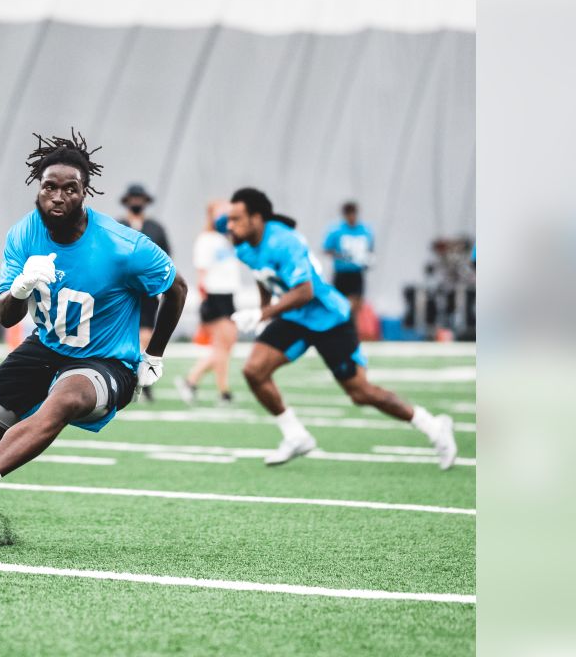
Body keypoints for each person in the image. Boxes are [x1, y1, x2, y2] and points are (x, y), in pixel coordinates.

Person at [0, 131, 187, 550]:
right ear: (38, 188)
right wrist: (22, 286)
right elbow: (4, 314)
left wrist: (154, 353)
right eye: (50, 186)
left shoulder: (123, 245)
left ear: (85, 194)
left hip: (105, 359)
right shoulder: (23, 235)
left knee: (64, 399)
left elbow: (175, 289)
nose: (58, 196)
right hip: (47, 346)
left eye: (71, 189)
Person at [223, 187, 457, 469]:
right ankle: (295, 435)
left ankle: (432, 426)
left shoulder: (284, 242)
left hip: (328, 317)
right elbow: (263, 275)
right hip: (295, 318)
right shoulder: (244, 246)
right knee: (254, 371)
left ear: (257, 218)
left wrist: (265, 312)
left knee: (360, 393)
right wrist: (264, 314)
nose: (231, 226)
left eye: (236, 219)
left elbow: (304, 291)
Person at [174, 200, 239, 406]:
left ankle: (195, 382)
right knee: (222, 346)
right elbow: (201, 272)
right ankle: (219, 390)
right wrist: (205, 301)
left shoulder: (226, 238)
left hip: (228, 295)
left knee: (225, 347)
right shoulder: (206, 240)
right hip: (215, 295)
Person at [117, 183, 172, 399]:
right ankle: (123, 375)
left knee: (146, 333)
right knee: (122, 331)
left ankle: (145, 375)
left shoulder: (156, 228)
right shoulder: (118, 225)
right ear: (127, 200)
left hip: (147, 289)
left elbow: (167, 258)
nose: (137, 202)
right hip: (123, 290)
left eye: (140, 198)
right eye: (133, 198)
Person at [322, 201, 374, 329]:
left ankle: (352, 329)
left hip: (357, 273)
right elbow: (326, 249)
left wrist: (367, 260)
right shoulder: (337, 230)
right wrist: (342, 256)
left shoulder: (365, 230)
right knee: (340, 303)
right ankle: (340, 328)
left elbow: (370, 250)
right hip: (342, 272)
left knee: (356, 304)